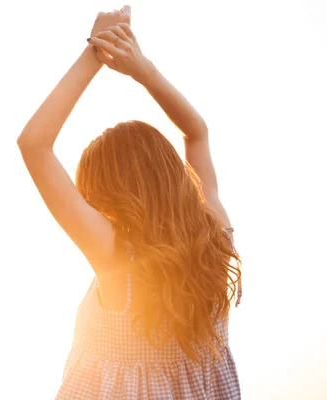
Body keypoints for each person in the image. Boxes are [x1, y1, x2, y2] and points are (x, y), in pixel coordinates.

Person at [17, 5, 243, 400]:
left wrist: (95, 53)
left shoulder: (113, 254)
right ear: (172, 173)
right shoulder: (214, 236)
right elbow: (197, 133)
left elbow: (34, 145)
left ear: (104, 192)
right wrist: (143, 70)